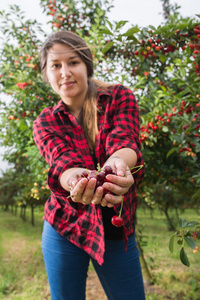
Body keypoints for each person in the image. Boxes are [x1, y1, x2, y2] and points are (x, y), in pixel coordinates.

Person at [33, 30, 146, 300]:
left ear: (87, 65)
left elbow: (125, 140)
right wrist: (75, 179)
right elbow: (62, 163)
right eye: (56, 65)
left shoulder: (118, 97)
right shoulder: (45, 122)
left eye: (73, 62)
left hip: (117, 229)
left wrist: (118, 163)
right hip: (65, 225)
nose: (65, 72)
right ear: (46, 74)